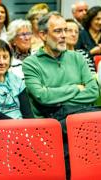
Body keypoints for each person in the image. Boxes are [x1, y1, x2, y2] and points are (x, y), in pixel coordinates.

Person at [22, 12, 100, 178]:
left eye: (65, 30)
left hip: (82, 116)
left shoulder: (77, 58)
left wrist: (56, 93)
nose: (64, 35)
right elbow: (42, 97)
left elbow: (93, 92)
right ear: (43, 35)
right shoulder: (31, 63)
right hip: (53, 121)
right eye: (58, 31)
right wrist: (75, 87)